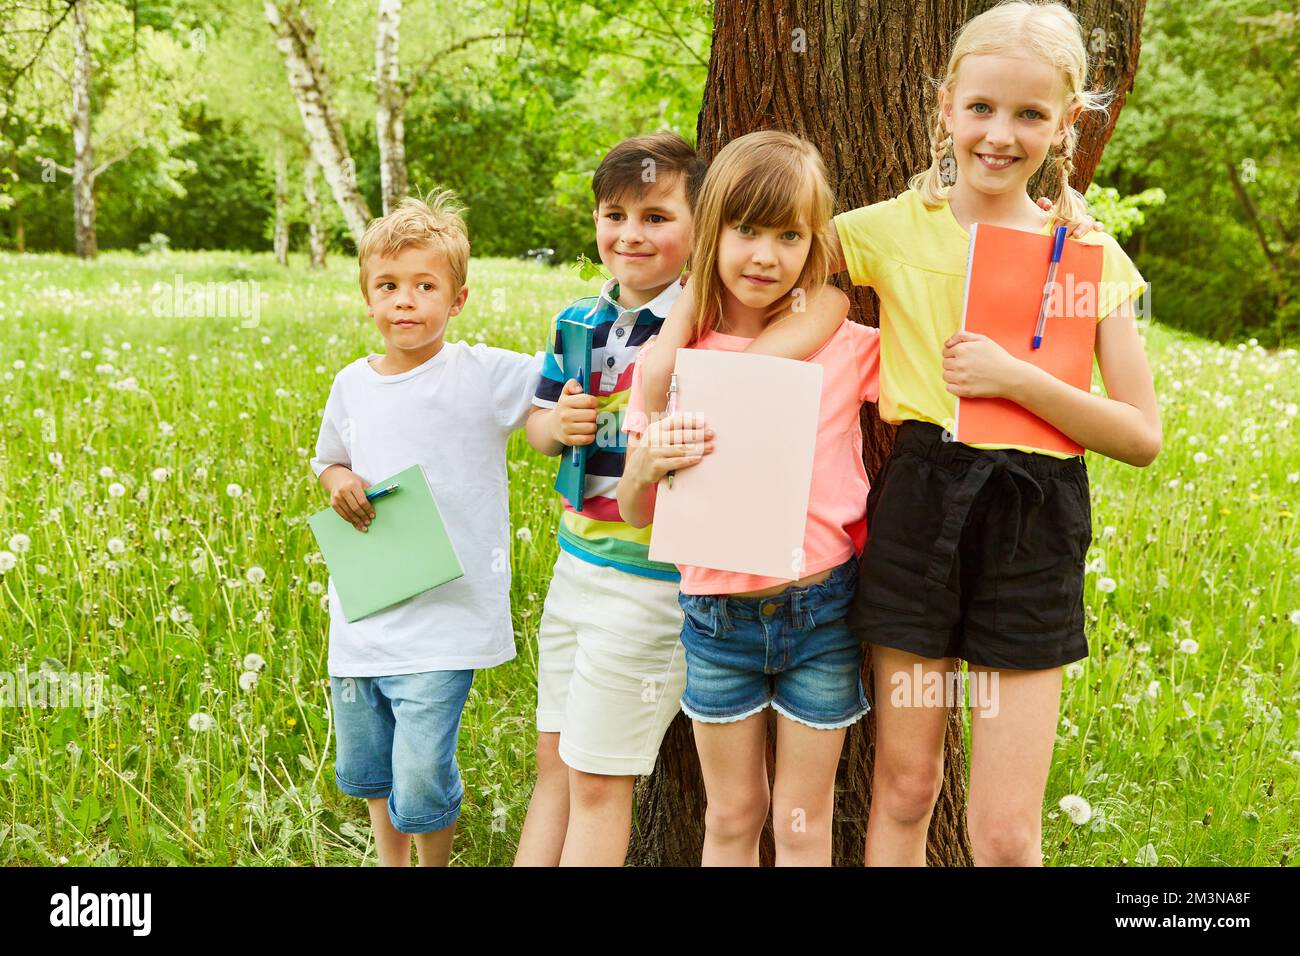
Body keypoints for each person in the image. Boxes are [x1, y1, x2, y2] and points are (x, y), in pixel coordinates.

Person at [618, 130, 881, 866]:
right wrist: (646, 466)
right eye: (746, 231)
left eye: (789, 236)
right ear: (712, 234)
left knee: (801, 822)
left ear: (815, 244)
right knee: (732, 816)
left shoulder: (846, 345)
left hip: (822, 610)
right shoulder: (673, 361)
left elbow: (928, 369)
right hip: (715, 619)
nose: (765, 256)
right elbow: (636, 510)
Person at [311, 190, 542, 866]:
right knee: (369, 767)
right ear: (367, 299)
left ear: (458, 299)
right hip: (363, 616)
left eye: (425, 286)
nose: (405, 301)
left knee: (420, 772)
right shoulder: (352, 384)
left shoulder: (483, 373)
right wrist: (339, 482)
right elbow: (329, 460)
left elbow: (560, 378)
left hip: (446, 621)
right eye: (388, 286)